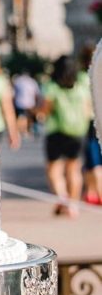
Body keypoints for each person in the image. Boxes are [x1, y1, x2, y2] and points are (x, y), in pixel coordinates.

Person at [40, 55, 92, 218]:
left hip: (56, 131)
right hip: (77, 131)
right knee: (74, 168)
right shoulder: (81, 85)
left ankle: (62, 197)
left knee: (53, 168)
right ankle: (73, 206)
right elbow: (87, 109)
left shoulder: (52, 87)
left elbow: (46, 110)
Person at [79, 45, 102, 205]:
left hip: (90, 122)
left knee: (93, 160)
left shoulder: (83, 77)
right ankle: (93, 192)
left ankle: (97, 193)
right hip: (94, 120)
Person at [13, 70, 41, 137]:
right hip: (30, 103)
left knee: (21, 117)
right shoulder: (32, 81)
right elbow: (36, 94)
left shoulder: (18, 81)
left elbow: (14, 92)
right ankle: (27, 131)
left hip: (19, 102)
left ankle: (19, 131)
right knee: (29, 118)